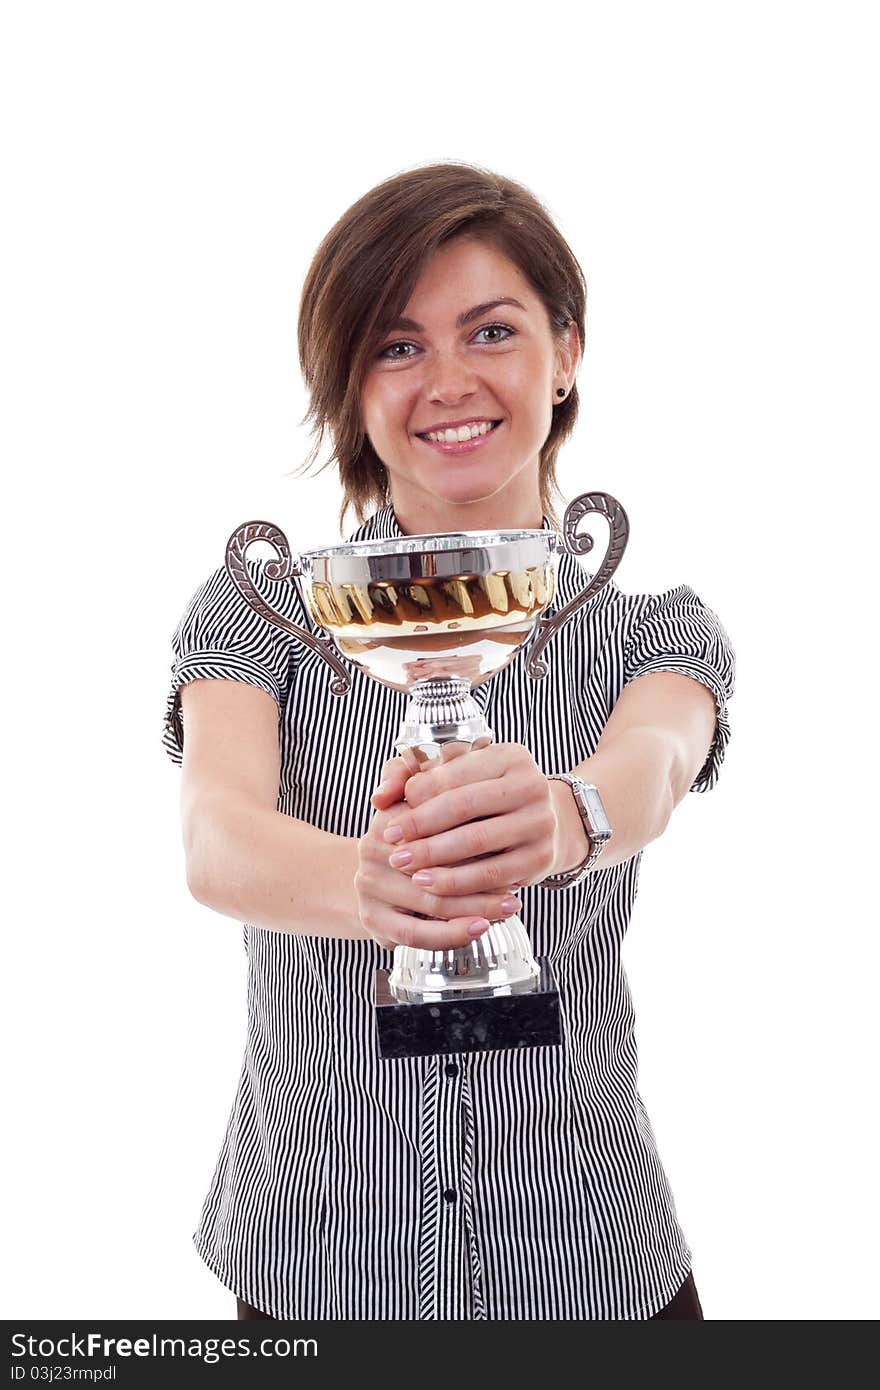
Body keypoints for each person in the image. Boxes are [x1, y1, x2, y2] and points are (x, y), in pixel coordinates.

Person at [162, 162, 734, 1320]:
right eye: (396, 345)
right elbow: (217, 838)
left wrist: (567, 818)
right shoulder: (254, 609)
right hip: (315, 1253)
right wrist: (372, 886)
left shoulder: (654, 627)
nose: (451, 381)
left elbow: (657, 761)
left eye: (492, 330)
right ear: (349, 387)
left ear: (565, 351)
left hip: (591, 1257)